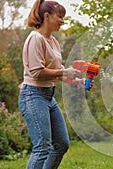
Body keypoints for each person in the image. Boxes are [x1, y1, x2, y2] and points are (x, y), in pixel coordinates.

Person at [18, 0, 82, 168]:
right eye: (59, 17)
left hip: (48, 96)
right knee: (42, 147)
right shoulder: (35, 39)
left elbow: (58, 70)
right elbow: (37, 72)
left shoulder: (52, 41)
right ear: (47, 16)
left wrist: (77, 81)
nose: (62, 21)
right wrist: (64, 72)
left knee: (61, 144)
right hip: (33, 95)